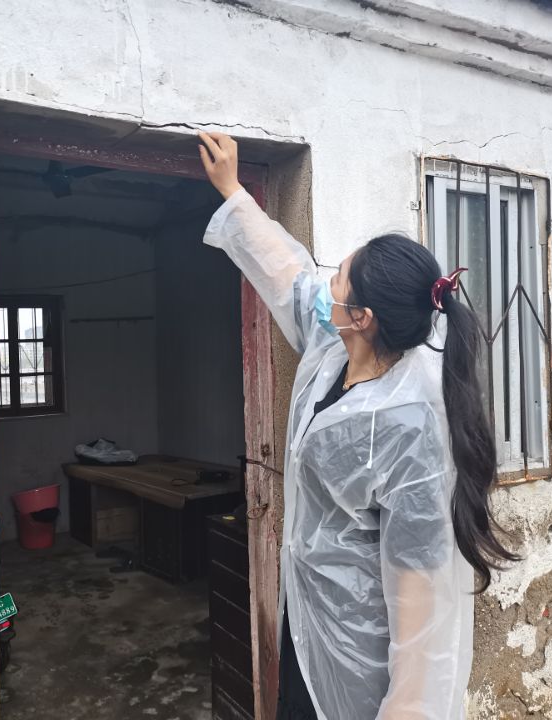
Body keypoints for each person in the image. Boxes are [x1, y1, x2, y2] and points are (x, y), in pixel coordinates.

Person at [196, 131, 521, 719]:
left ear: (363, 317)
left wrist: (408, 709)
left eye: (339, 280)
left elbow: (422, 592)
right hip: (310, 617)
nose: (327, 287)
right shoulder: (335, 351)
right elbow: (293, 279)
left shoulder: (408, 425)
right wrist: (234, 193)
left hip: (361, 647)